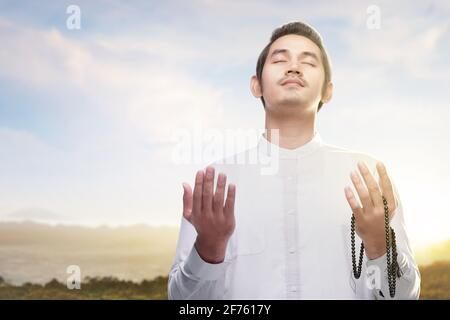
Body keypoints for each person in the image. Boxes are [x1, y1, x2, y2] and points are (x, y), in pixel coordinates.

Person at [168, 21, 420, 299]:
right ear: (256, 85)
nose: (293, 67)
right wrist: (209, 250)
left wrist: (379, 245)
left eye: (308, 62)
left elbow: (403, 297)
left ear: (328, 91)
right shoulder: (216, 182)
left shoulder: (367, 177)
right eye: (279, 59)